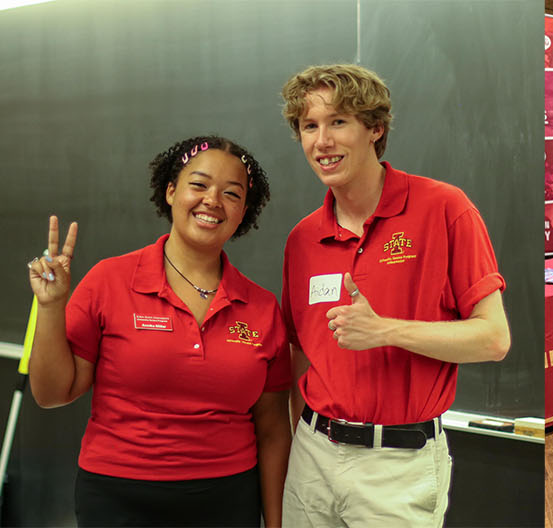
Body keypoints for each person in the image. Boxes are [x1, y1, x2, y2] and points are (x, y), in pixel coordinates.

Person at [278, 64, 510, 527]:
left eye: (338, 122)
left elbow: (494, 339)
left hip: (398, 468)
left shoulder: (445, 209)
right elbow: (299, 355)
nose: (321, 141)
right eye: (309, 126)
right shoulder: (302, 239)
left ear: (375, 128)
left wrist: (384, 330)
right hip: (311, 457)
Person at [25, 136, 288, 526]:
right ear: (170, 191)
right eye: (198, 185)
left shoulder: (263, 308)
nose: (212, 200)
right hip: (118, 496)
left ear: (243, 210)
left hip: (227, 499)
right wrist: (50, 307)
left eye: (231, 193)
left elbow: (273, 432)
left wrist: (277, 522)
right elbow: (51, 394)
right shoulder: (110, 280)